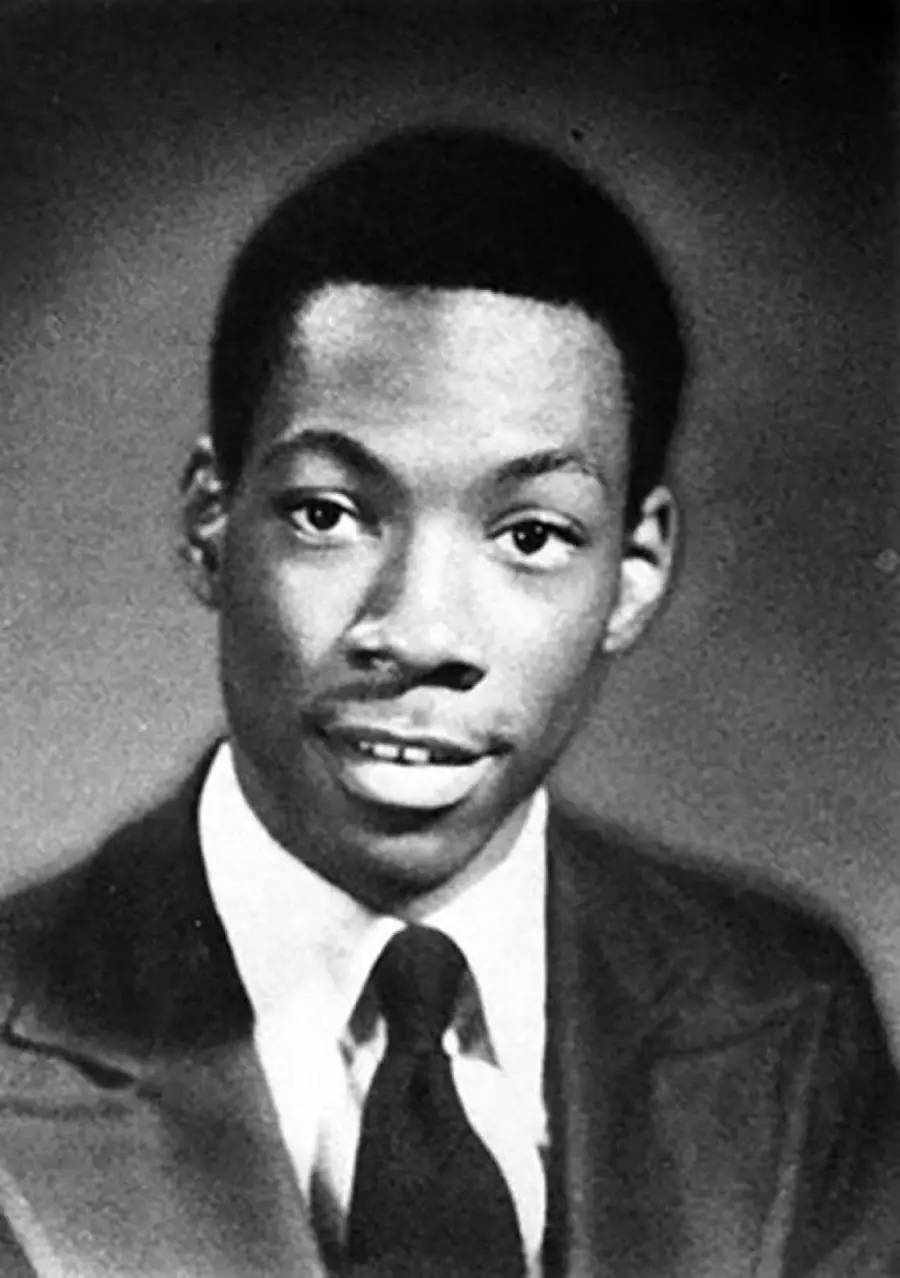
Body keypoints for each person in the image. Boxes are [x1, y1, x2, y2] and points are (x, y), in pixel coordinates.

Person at [0, 124, 896, 1278]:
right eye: (328, 513)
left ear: (635, 571)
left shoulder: (789, 1011)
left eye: (531, 535)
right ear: (209, 524)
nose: (421, 633)